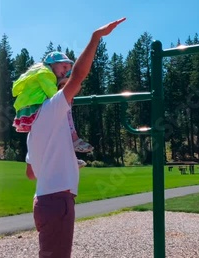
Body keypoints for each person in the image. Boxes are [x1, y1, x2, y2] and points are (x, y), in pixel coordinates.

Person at [25, 17, 126, 258]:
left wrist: (61, 160)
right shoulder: (53, 108)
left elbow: (31, 174)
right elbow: (79, 76)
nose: (69, 86)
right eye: (63, 80)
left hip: (44, 201)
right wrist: (95, 38)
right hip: (58, 202)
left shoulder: (33, 126)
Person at [12, 51, 93, 153]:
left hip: (29, 108)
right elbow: (54, 95)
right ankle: (74, 139)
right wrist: (66, 96)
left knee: (51, 132)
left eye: (68, 70)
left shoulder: (40, 72)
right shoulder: (45, 73)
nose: (66, 71)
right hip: (34, 107)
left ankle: (67, 155)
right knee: (64, 112)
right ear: (52, 63)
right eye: (64, 67)